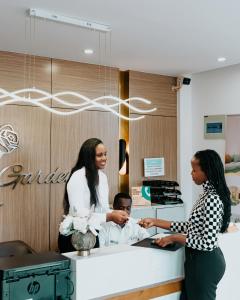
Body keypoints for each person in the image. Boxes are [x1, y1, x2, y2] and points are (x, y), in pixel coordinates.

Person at [139, 149, 231, 300]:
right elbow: (191, 227)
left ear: (206, 171)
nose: (191, 174)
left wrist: (175, 238)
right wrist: (156, 221)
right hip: (198, 262)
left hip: (205, 263)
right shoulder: (206, 195)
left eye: (194, 170)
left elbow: (207, 243)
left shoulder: (212, 199)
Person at [58, 138, 129, 253]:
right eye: (99, 155)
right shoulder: (77, 177)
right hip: (75, 238)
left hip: (92, 235)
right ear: (89, 157)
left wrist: (114, 213)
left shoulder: (102, 177)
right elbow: (79, 213)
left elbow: (103, 209)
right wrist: (109, 216)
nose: (104, 158)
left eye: (105, 154)